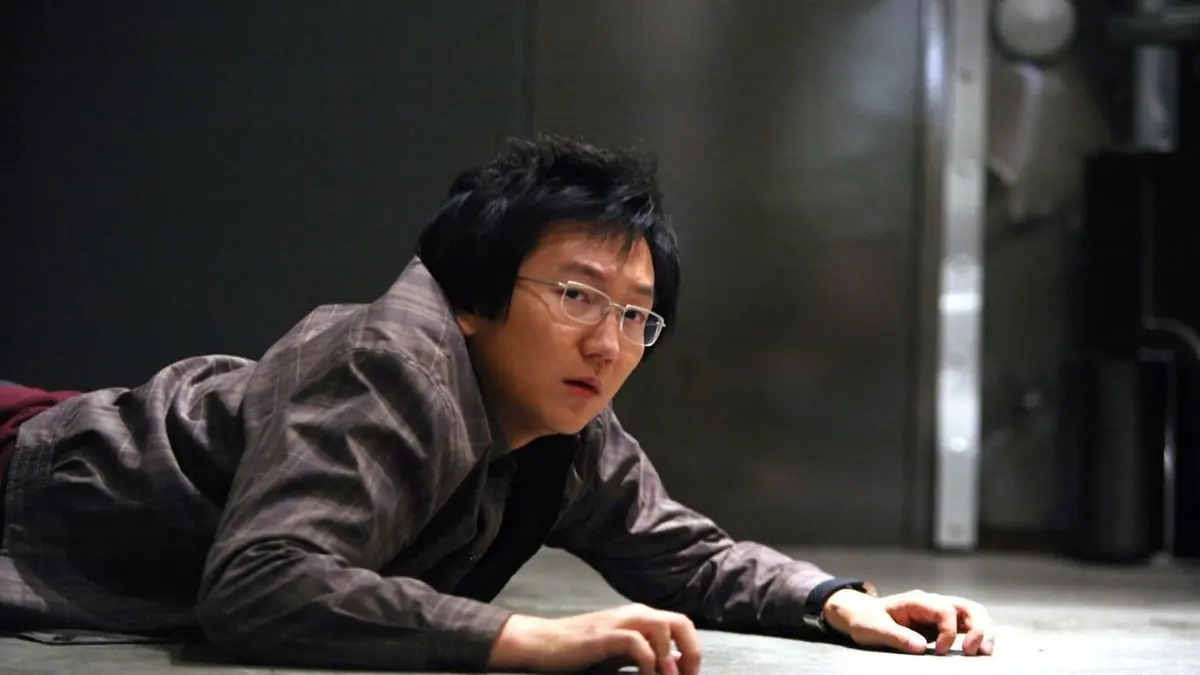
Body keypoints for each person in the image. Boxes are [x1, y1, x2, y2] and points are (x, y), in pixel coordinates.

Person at [0, 135, 995, 674]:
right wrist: (521, 638)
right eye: (577, 297)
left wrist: (836, 602)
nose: (609, 343)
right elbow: (262, 583)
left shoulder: (566, 420)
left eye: (637, 316)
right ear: (472, 297)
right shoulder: (390, 362)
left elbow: (683, 553)